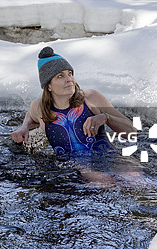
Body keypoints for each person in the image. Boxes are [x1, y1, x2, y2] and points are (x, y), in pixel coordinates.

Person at [11, 46, 140, 174]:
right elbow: (31, 115)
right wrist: (24, 127)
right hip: (73, 172)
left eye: (70, 74)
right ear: (48, 86)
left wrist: (106, 117)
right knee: (99, 180)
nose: (69, 80)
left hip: (110, 159)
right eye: (60, 76)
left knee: (134, 174)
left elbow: (132, 132)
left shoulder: (91, 98)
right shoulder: (40, 108)